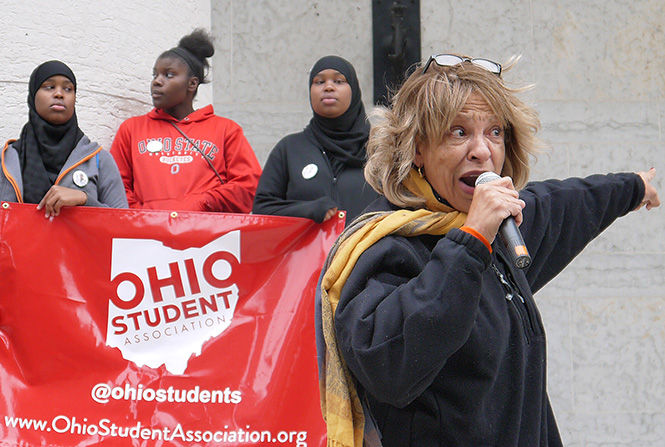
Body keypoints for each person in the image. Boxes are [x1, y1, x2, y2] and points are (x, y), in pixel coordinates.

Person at [316, 54, 660, 446]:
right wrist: (471, 240)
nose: (482, 150)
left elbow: (563, 203)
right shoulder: (388, 249)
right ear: (417, 150)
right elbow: (388, 366)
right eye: (458, 132)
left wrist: (631, 187)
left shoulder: (502, 232)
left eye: (494, 132)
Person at [110, 29, 261, 212]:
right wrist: (144, 217)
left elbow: (248, 186)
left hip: (206, 236)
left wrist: (200, 204)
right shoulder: (132, 129)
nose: (156, 81)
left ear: (192, 84)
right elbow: (115, 187)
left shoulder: (226, 130)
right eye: (155, 75)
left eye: (169, 75)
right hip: (147, 236)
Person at [252, 55, 379, 224]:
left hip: (369, 249)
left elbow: (404, 206)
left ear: (354, 90)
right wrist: (306, 210)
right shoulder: (290, 149)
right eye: (319, 82)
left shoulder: (380, 149)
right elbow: (262, 208)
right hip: (307, 250)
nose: (328, 87)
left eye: (339, 81)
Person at [0, 60, 127, 217]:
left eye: (68, 89)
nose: (59, 94)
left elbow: (123, 222)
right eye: (49, 87)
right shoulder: (6, 159)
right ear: (33, 95)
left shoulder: (98, 159)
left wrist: (85, 200)